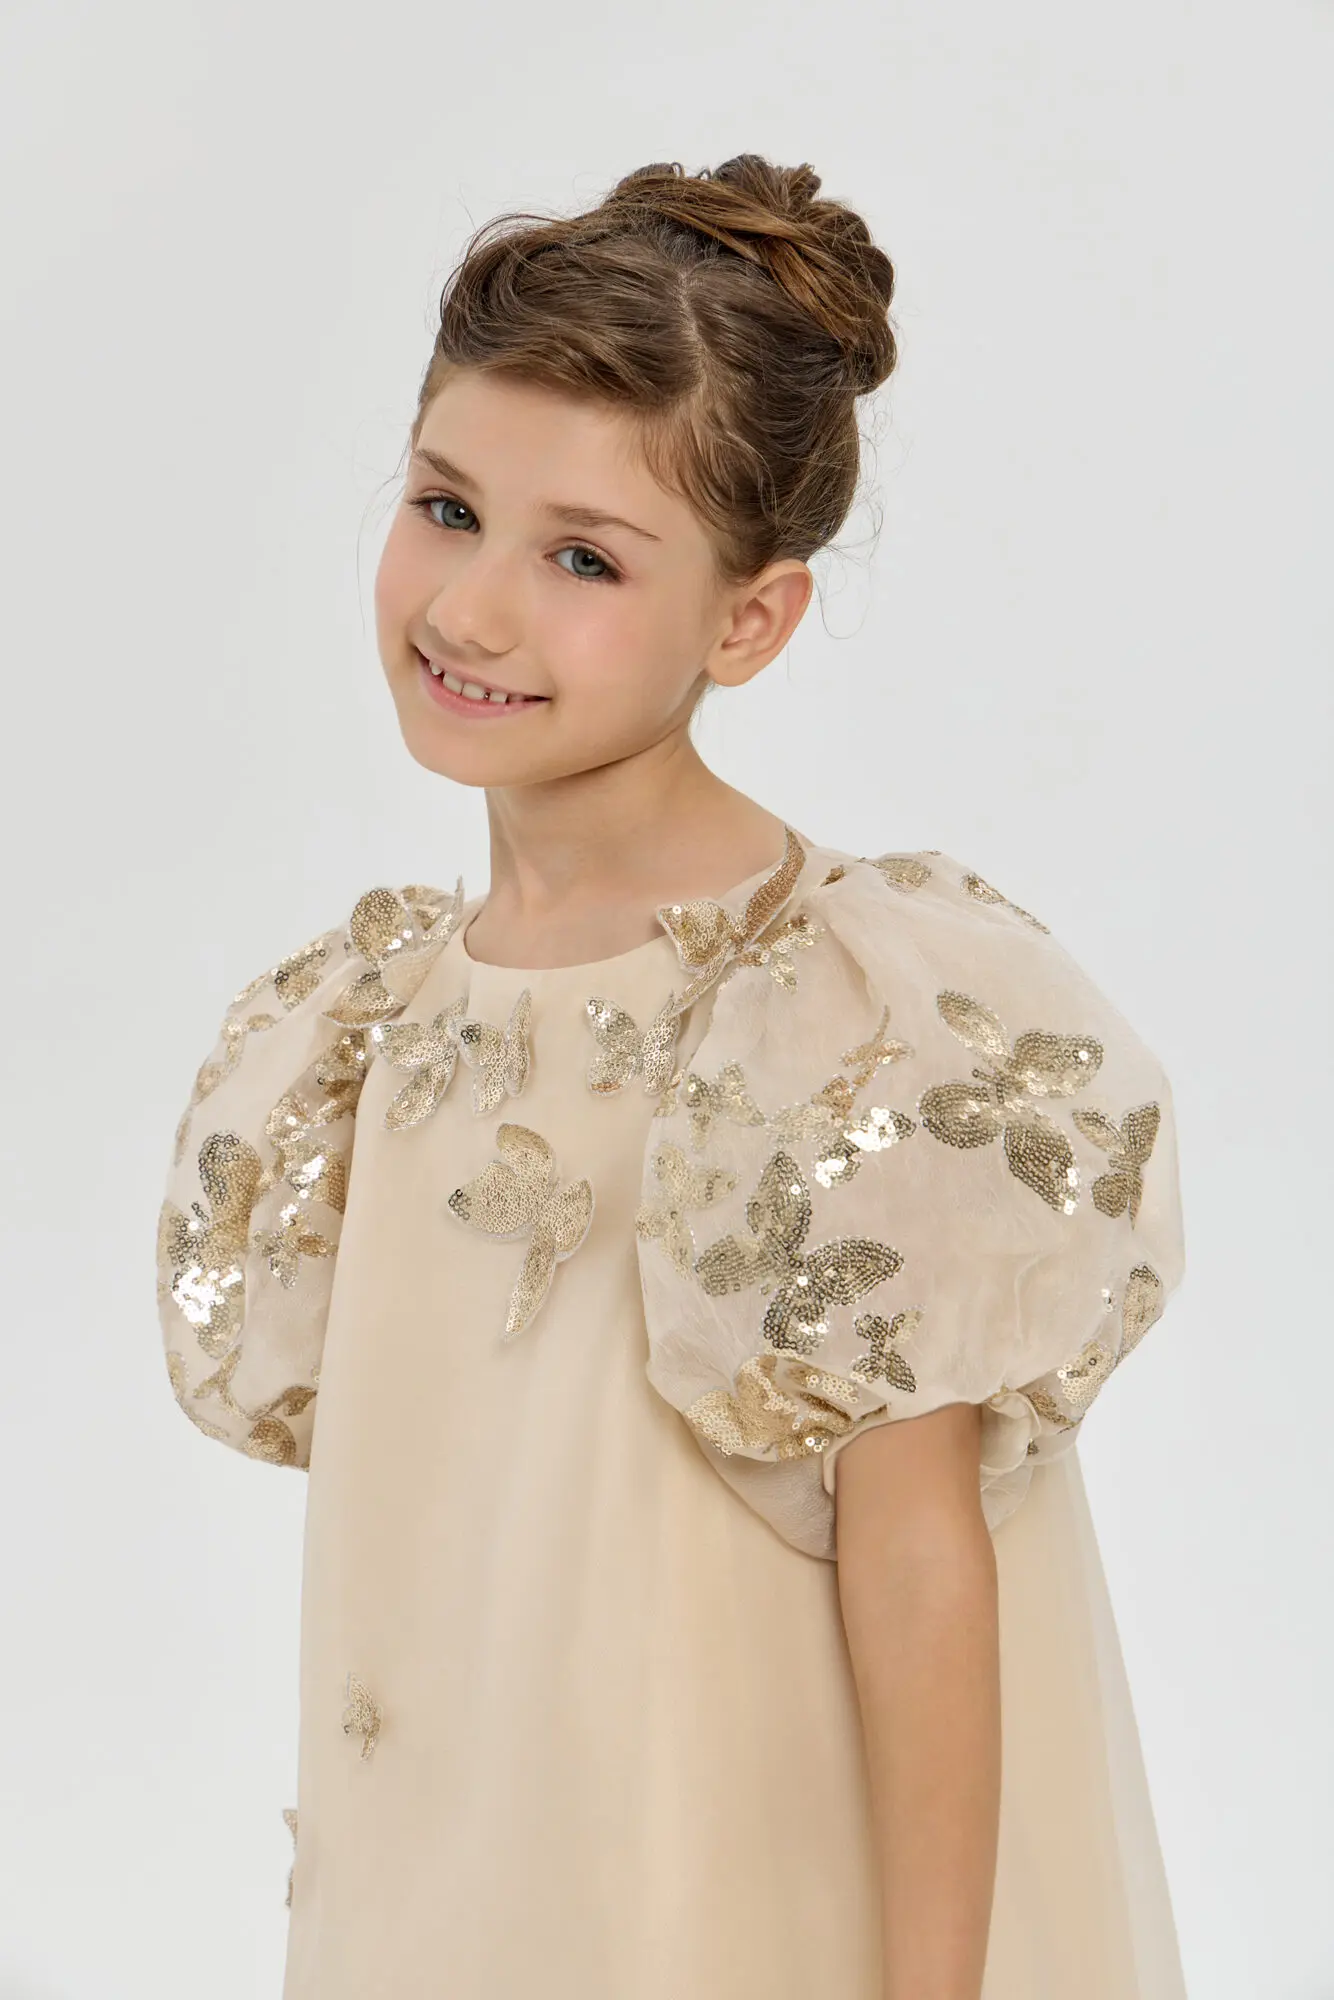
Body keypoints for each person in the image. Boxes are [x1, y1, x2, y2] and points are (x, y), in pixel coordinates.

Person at [154, 154, 1188, 2000]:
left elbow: (919, 1560)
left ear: (747, 621)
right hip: (449, 1907)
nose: (470, 610)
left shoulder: (842, 1018)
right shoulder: (366, 1026)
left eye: (581, 559)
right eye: (444, 507)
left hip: (724, 1903)